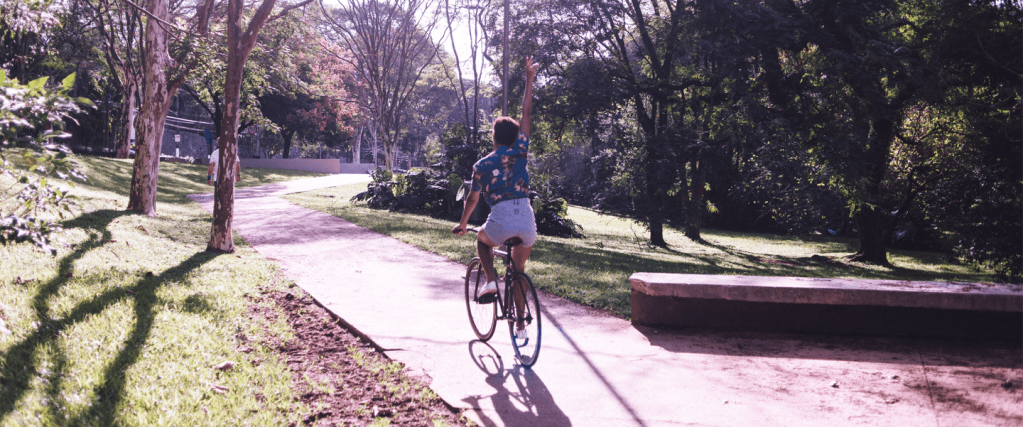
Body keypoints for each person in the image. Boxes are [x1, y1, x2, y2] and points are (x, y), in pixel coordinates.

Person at [452, 57, 539, 340]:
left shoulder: (482, 165)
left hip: (501, 217)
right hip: (526, 218)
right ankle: (521, 325)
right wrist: (529, 79)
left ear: (494, 136)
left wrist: (463, 223)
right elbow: (526, 111)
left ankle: (490, 281)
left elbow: (473, 200)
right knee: (518, 268)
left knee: (482, 241)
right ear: (516, 136)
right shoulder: (521, 151)